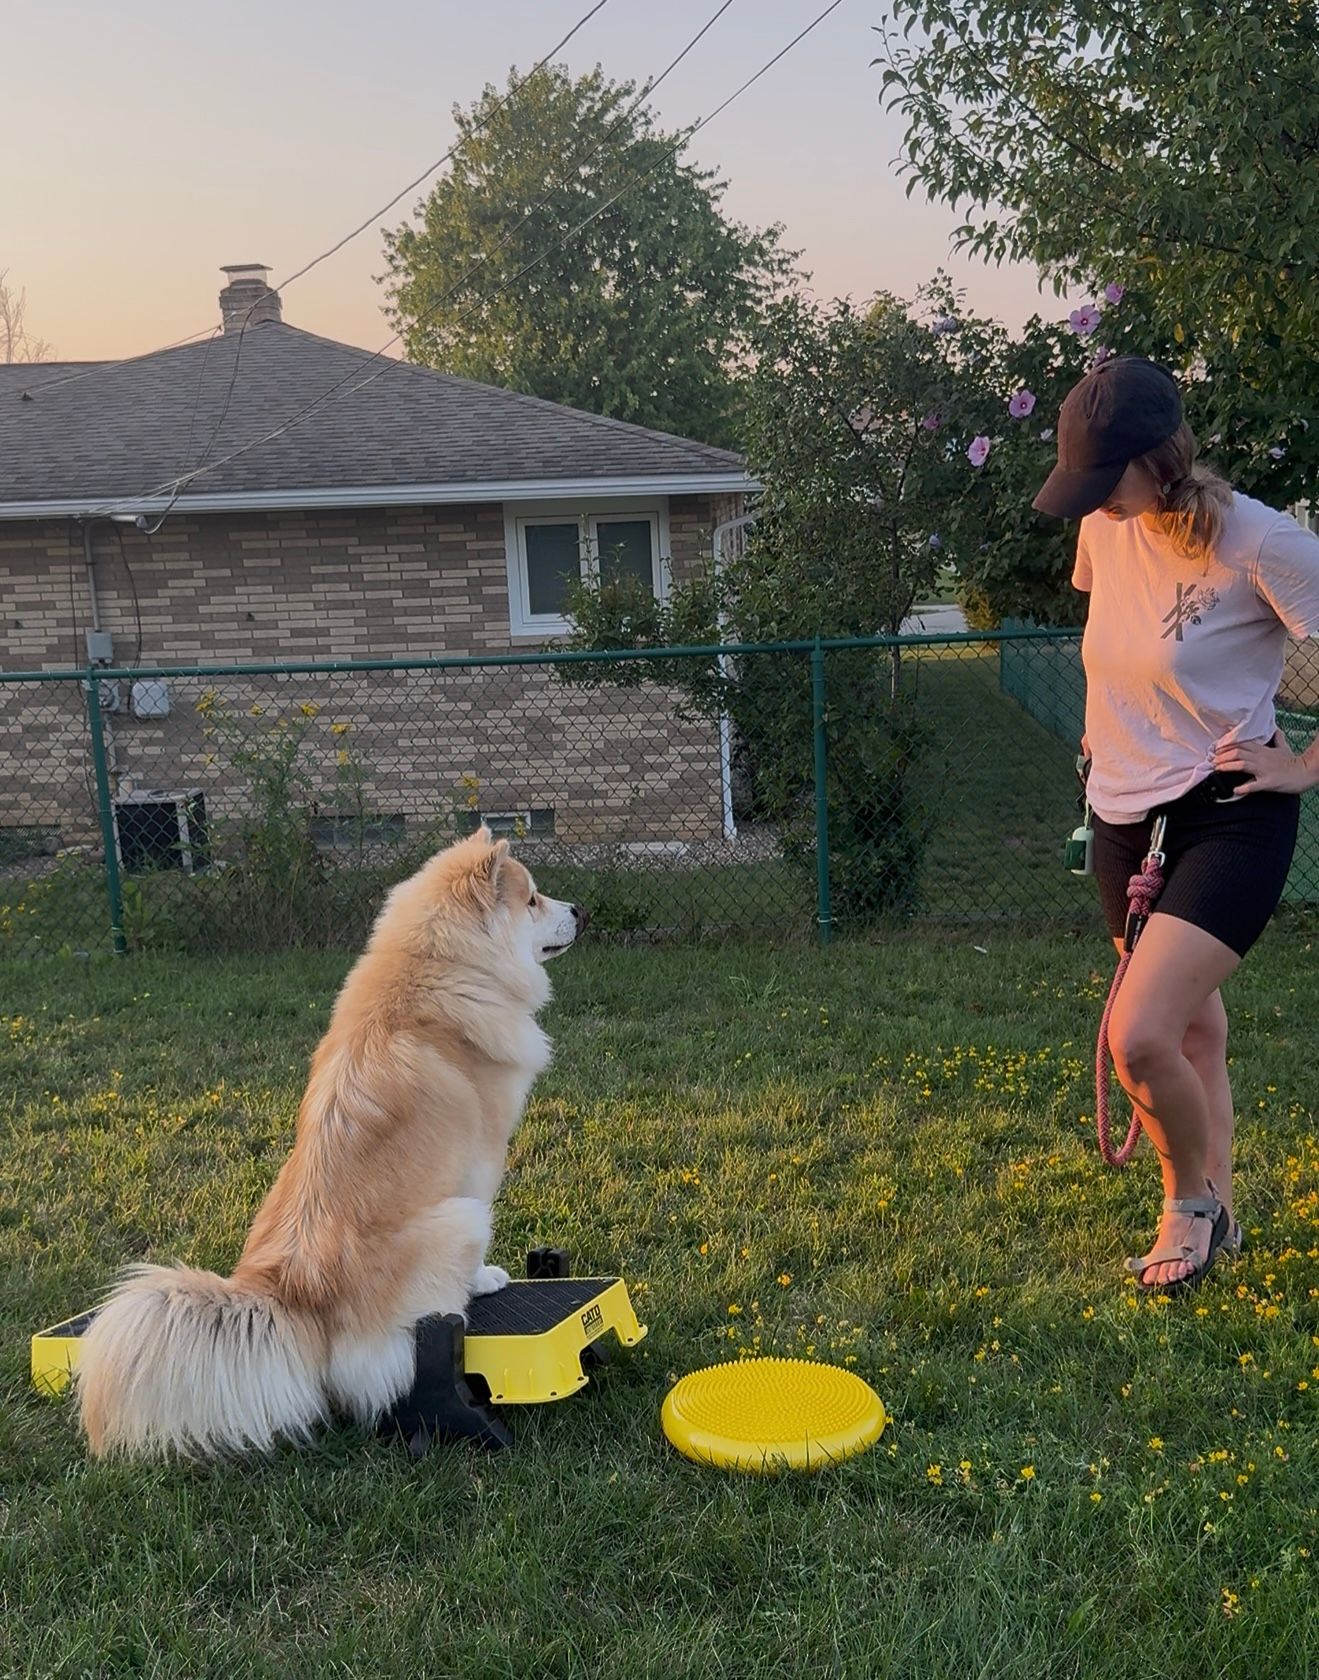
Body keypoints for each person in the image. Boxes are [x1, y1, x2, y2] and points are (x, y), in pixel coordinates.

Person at [1033, 356, 1319, 1292]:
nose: (1094, 502)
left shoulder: (1261, 542)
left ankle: (1185, 1203)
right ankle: (1222, 1214)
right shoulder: (1102, 527)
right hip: (1121, 814)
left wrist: (1301, 766)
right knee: (1192, 1034)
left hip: (1227, 813)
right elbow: (1116, 637)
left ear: (1157, 460)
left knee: (1141, 1035)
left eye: (1103, 478)